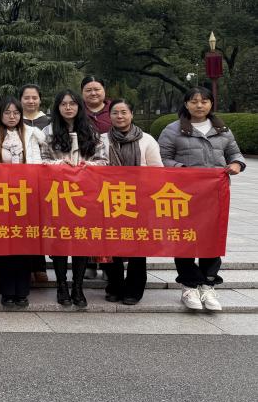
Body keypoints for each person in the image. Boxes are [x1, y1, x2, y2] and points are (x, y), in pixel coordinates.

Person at [159, 86, 246, 312]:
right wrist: (183, 170)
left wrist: (237, 164)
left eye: (204, 101)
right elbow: (162, 158)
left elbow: (235, 153)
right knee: (185, 238)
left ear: (211, 104)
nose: (199, 105)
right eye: (194, 101)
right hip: (183, 195)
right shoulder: (173, 129)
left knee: (212, 237)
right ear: (186, 104)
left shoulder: (222, 129)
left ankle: (208, 284)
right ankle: (189, 285)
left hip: (215, 194)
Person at [41, 89, 108, 308]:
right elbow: (41, 160)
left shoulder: (91, 130)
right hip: (58, 194)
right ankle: (61, 285)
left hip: (85, 195)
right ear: (57, 107)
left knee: (82, 241)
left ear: (79, 106)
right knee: (59, 241)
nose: (68, 107)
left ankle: (78, 287)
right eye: (63, 104)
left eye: (72, 103)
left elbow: (103, 161)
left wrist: (87, 166)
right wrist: (60, 165)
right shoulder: (48, 131)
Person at [0, 98, 45, 308]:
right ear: (0, 114)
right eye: (7, 112)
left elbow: (36, 162)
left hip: (25, 196)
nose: (12, 117)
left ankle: (22, 290)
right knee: (3, 243)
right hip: (0, 196)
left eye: (16, 113)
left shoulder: (30, 134)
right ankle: (6, 290)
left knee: (23, 242)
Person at [103, 99, 163, 305]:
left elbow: (157, 170)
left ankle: (134, 289)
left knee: (138, 245)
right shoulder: (102, 140)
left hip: (139, 200)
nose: (119, 116)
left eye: (124, 112)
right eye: (115, 113)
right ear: (109, 116)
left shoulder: (147, 140)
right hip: (109, 199)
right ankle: (114, 285)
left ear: (131, 114)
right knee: (110, 243)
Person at [18, 84, 50, 283]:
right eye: (26, 97)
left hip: (41, 180)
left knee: (38, 224)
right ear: (20, 100)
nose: (30, 101)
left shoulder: (48, 122)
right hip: (17, 182)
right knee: (22, 224)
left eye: (34, 97)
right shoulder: (14, 119)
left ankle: (39, 265)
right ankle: (25, 267)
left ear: (40, 99)